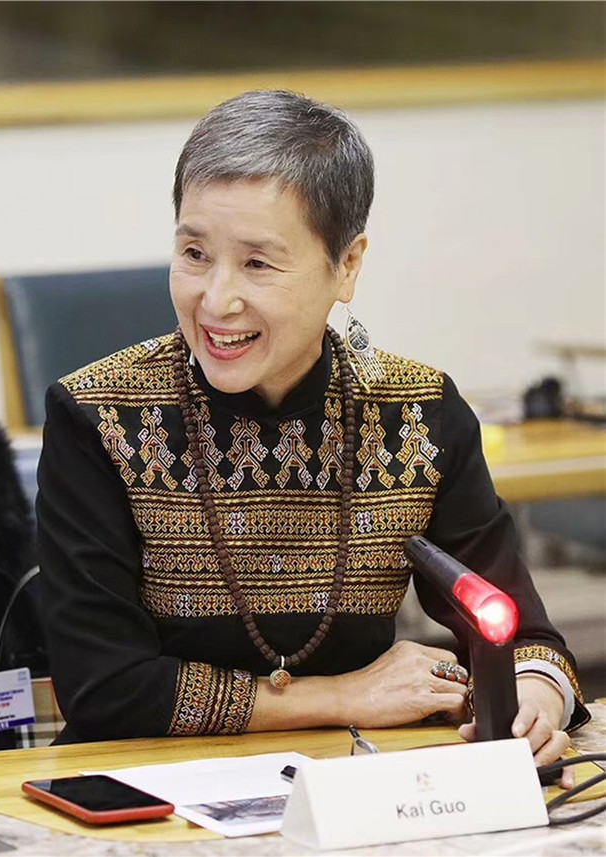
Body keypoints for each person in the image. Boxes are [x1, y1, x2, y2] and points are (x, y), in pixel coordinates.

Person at [37, 90, 589, 772]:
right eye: (194, 253)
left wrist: (535, 697)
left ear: (346, 265)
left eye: (258, 263)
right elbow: (103, 686)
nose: (216, 299)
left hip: (354, 777)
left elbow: (524, 633)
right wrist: (343, 695)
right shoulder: (97, 416)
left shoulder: (418, 413)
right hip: (143, 785)